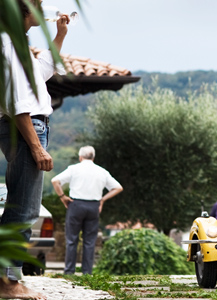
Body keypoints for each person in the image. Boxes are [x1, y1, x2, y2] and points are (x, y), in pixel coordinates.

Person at [0, 0, 69, 298]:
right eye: (39, 6)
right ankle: (8, 283)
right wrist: (37, 147)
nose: (44, 11)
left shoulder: (15, 41)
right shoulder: (6, 43)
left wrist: (60, 36)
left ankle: (7, 278)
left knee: (21, 205)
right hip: (26, 127)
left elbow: (41, 73)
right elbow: (16, 100)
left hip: (31, 126)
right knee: (24, 209)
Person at [51, 146, 123, 275]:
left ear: (80, 157)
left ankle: (69, 273)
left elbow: (55, 181)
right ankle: (87, 273)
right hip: (93, 207)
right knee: (90, 242)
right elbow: (118, 187)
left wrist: (62, 197)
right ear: (93, 157)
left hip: (76, 205)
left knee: (72, 240)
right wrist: (102, 200)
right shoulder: (102, 171)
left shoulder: (74, 169)